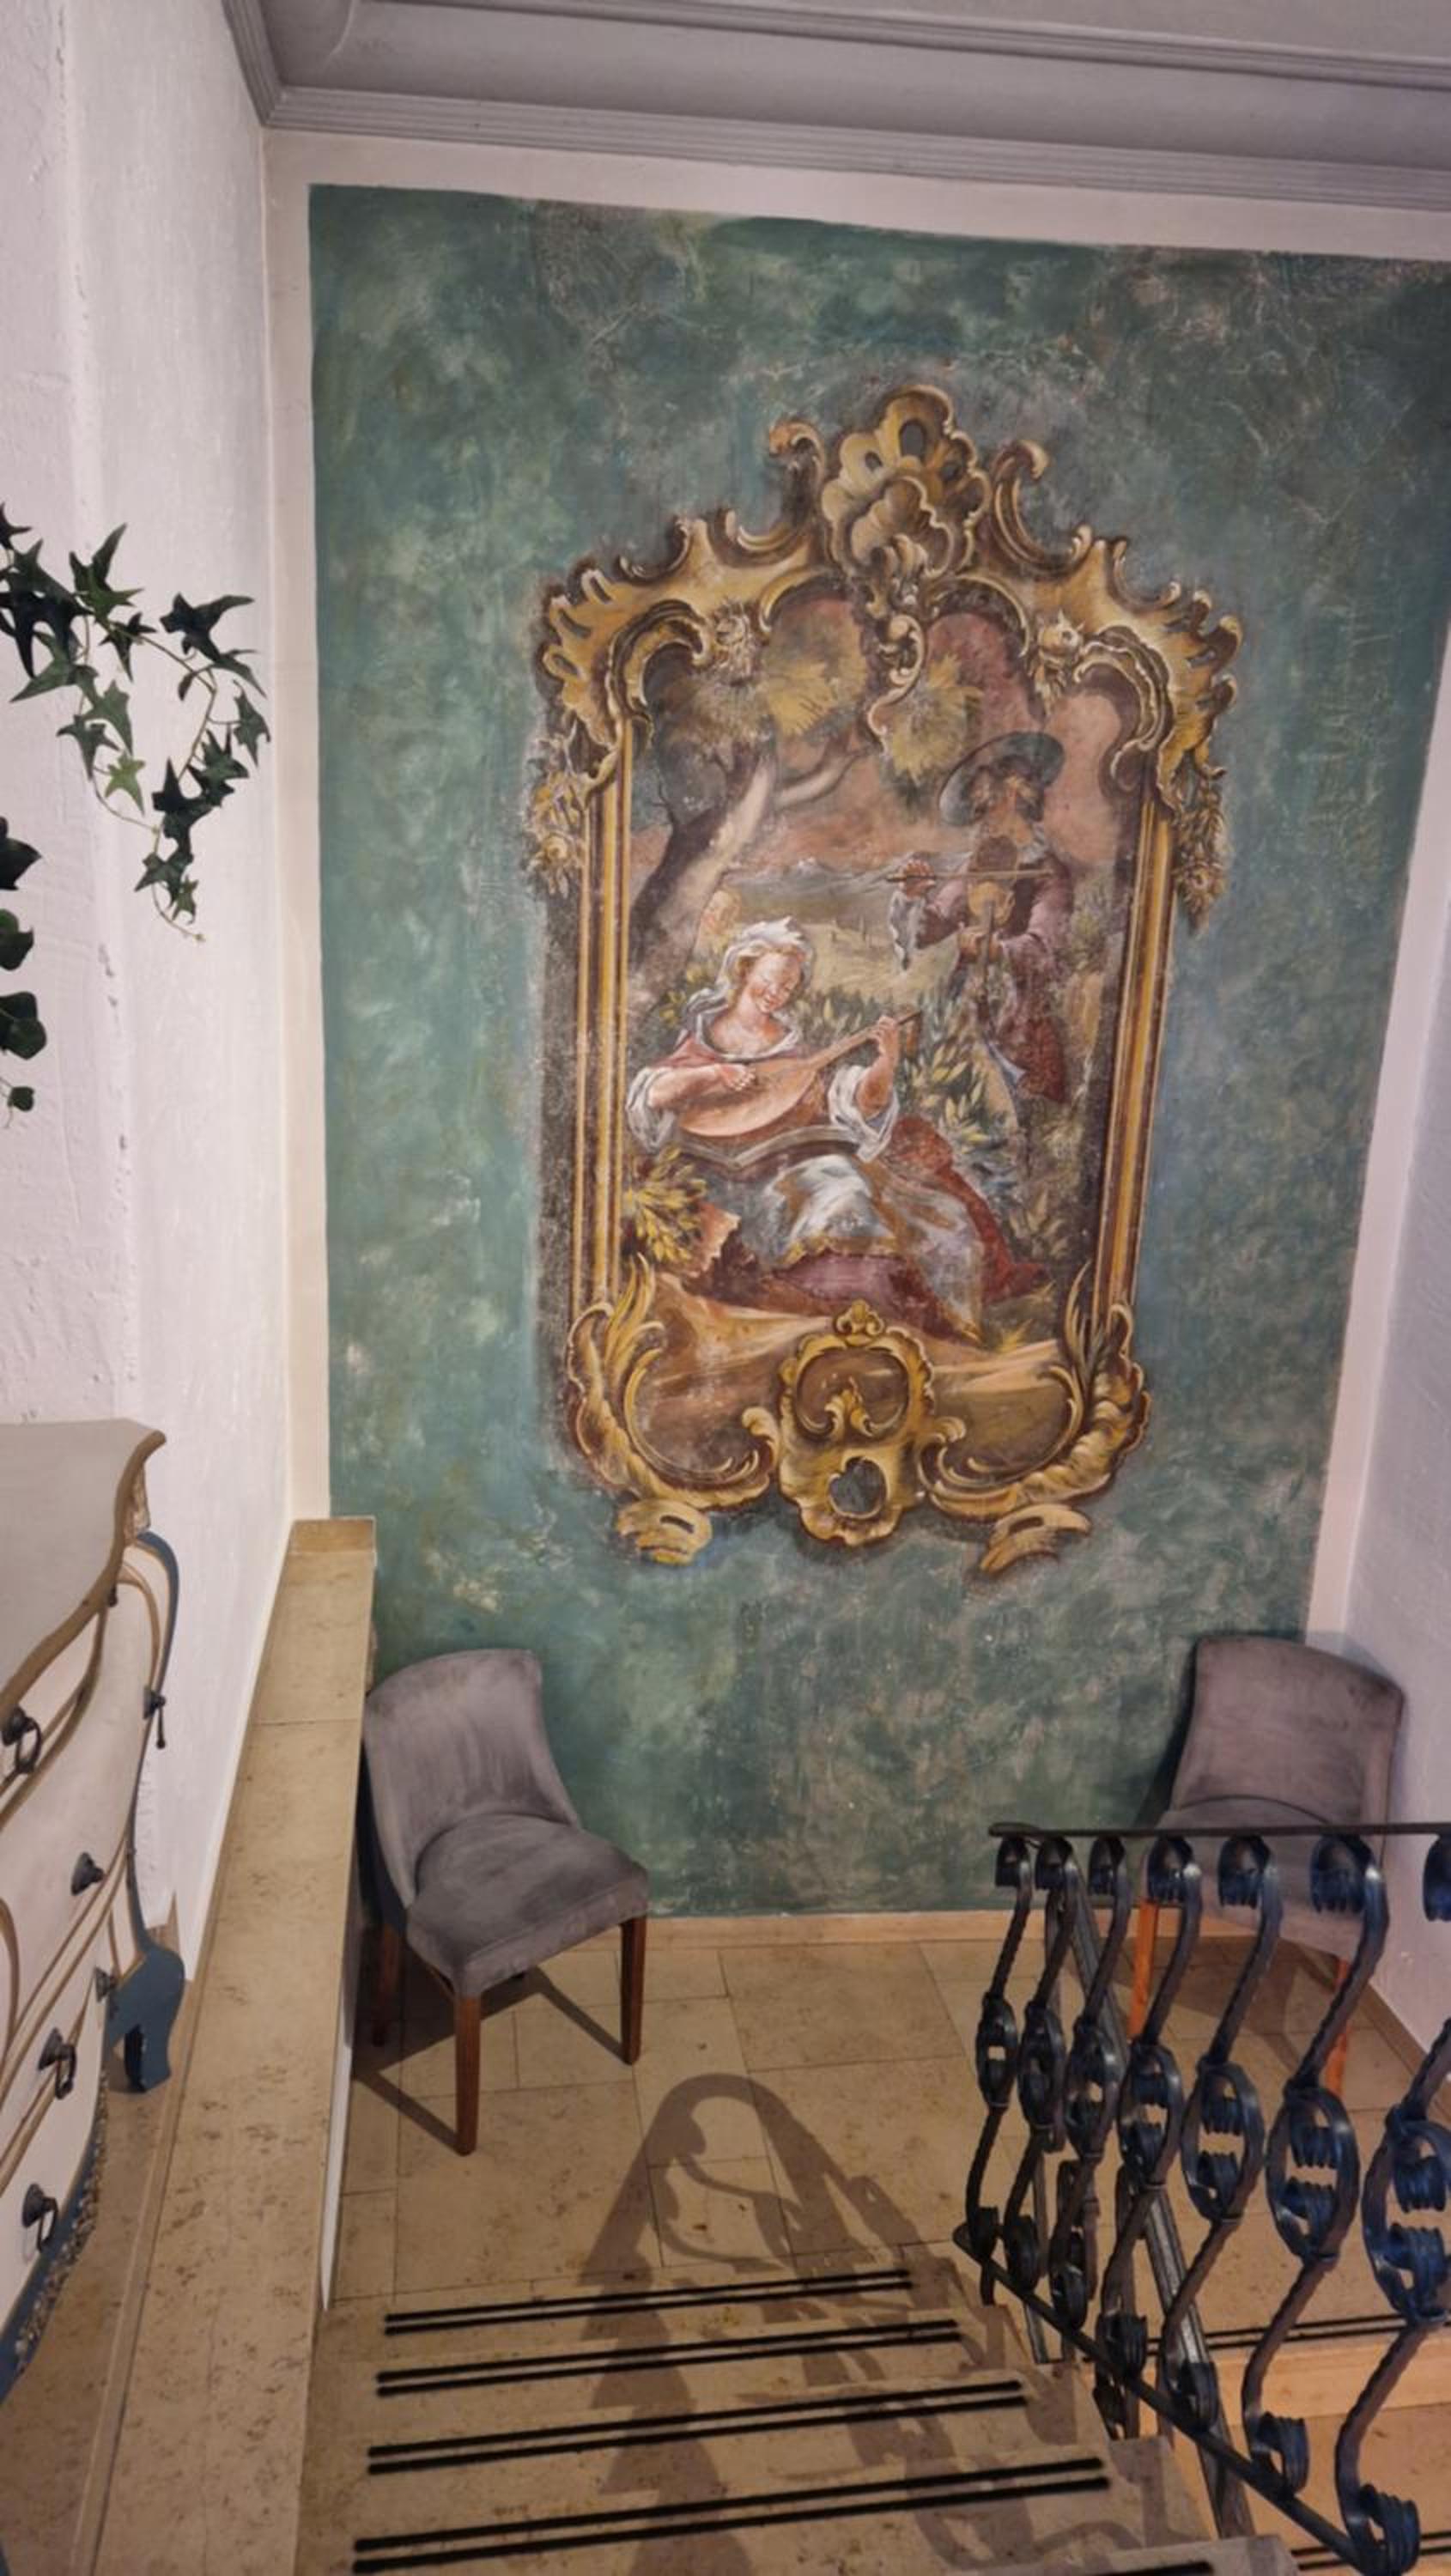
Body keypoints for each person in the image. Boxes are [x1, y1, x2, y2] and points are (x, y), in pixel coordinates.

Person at [627, 920, 985, 1340]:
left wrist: (884, 1063)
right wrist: (712, 1075)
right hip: (707, 1168)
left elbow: (859, 1100)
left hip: (787, 1165)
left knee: (848, 1189)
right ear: (744, 969)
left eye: (788, 987)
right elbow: (653, 1095)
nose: (777, 993)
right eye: (770, 980)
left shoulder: (793, 1050)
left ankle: (850, 1315)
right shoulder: (702, 1037)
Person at [891, 731, 1074, 1109]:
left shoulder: (1048, 872)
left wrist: (996, 951)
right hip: (964, 1008)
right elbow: (932, 927)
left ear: (1013, 795)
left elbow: (1045, 948)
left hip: (1018, 1015)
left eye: (985, 807)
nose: (980, 821)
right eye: (977, 811)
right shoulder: (977, 865)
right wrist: (912, 897)